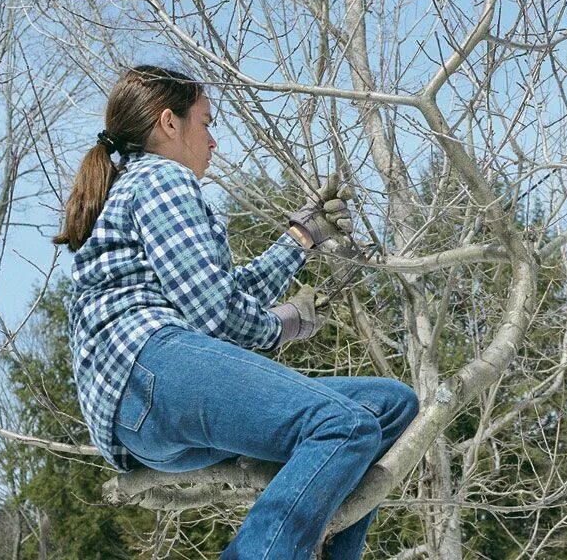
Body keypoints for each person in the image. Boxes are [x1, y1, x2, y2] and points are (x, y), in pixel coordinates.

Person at [53, 65, 419, 560]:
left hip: (148, 411)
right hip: (151, 370)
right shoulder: (163, 179)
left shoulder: (140, 186)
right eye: (205, 122)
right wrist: (285, 323)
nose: (213, 140)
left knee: (390, 405)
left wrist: (302, 238)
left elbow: (221, 291)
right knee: (345, 425)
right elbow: (215, 316)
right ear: (169, 123)